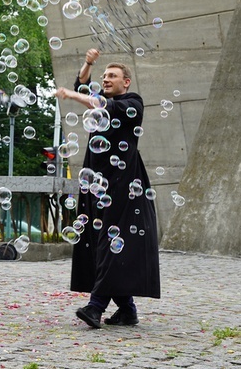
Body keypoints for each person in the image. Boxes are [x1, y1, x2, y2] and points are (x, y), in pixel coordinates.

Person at [55, 49, 160, 328]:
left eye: (112, 76)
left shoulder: (132, 102)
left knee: (109, 244)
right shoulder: (101, 98)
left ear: (126, 81)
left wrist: (72, 95)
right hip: (95, 184)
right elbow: (84, 86)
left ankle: (95, 307)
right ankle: (127, 309)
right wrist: (88, 63)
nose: (106, 79)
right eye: (104, 76)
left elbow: (100, 105)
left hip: (123, 186)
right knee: (102, 243)